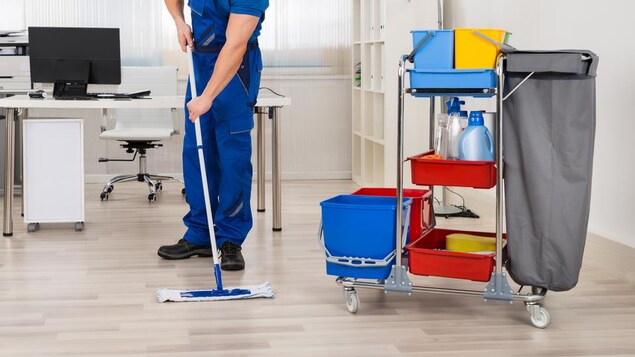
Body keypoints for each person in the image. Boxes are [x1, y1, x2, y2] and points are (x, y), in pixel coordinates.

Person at [158, 0, 268, 271]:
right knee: (197, 150)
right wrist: (179, 21)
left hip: (236, 67)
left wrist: (207, 96)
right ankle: (200, 233)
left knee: (232, 157)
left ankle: (230, 240)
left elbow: (236, 45)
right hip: (201, 62)